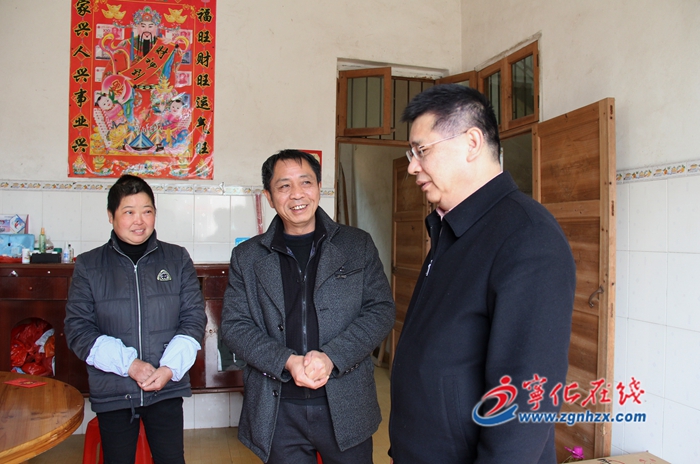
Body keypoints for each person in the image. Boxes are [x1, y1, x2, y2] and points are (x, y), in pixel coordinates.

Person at [389, 84, 576, 463]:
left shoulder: (527, 237)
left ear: (472, 142)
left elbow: (524, 401)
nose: (412, 166)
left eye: (422, 151)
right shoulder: (453, 228)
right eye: (412, 154)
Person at [221, 149, 395, 463]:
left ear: (318, 187)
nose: (297, 194)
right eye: (284, 186)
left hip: (346, 403)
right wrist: (286, 361)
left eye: (306, 182)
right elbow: (235, 326)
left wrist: (332, 357)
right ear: (269, 196)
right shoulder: (247, 257)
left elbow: (381, 309)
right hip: (277, 410)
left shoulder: (357, 244)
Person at [65, 174, 206, 464]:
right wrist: (130, 365)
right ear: (111, 216)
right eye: (128, 212)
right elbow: (78, 329)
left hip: (166, 387)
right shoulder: (89, 265)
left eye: (147, 211)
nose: (139, 221)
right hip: (114, 391)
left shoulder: (177, 258)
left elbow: (193, 319)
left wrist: (168, 369)